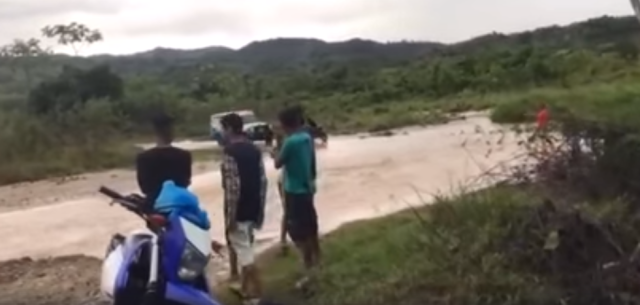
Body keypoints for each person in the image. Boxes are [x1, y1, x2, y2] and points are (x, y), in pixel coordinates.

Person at [220, 112, 266, 305]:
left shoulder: (229, 152)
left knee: (245, 256)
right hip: (253, 205)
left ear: (229, 129)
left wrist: (230, 217)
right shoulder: (254, 150)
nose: (221, 133)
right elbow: (263, 181)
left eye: (223, 129)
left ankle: (256, 295)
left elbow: (232, 188)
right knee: (247, 247)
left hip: (238, 209)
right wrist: (260, 210)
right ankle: (246, 290)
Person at [273, 106, 320, 290]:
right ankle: (317, 261)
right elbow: (312, 163)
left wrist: (276, 148)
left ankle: (308, 270)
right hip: (308, 187)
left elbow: (278, 163)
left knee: (298, 233)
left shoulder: (290, 142)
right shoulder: (307, 138)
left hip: (294, 191)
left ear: (284, 124)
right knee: (311, 226)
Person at [136, 114, 192, 204]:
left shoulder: (143, 158)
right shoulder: (184, 155)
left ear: (155, 132)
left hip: (154, 203)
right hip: (179, 202)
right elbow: (185, 182)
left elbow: (144, 188)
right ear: (172, 132)